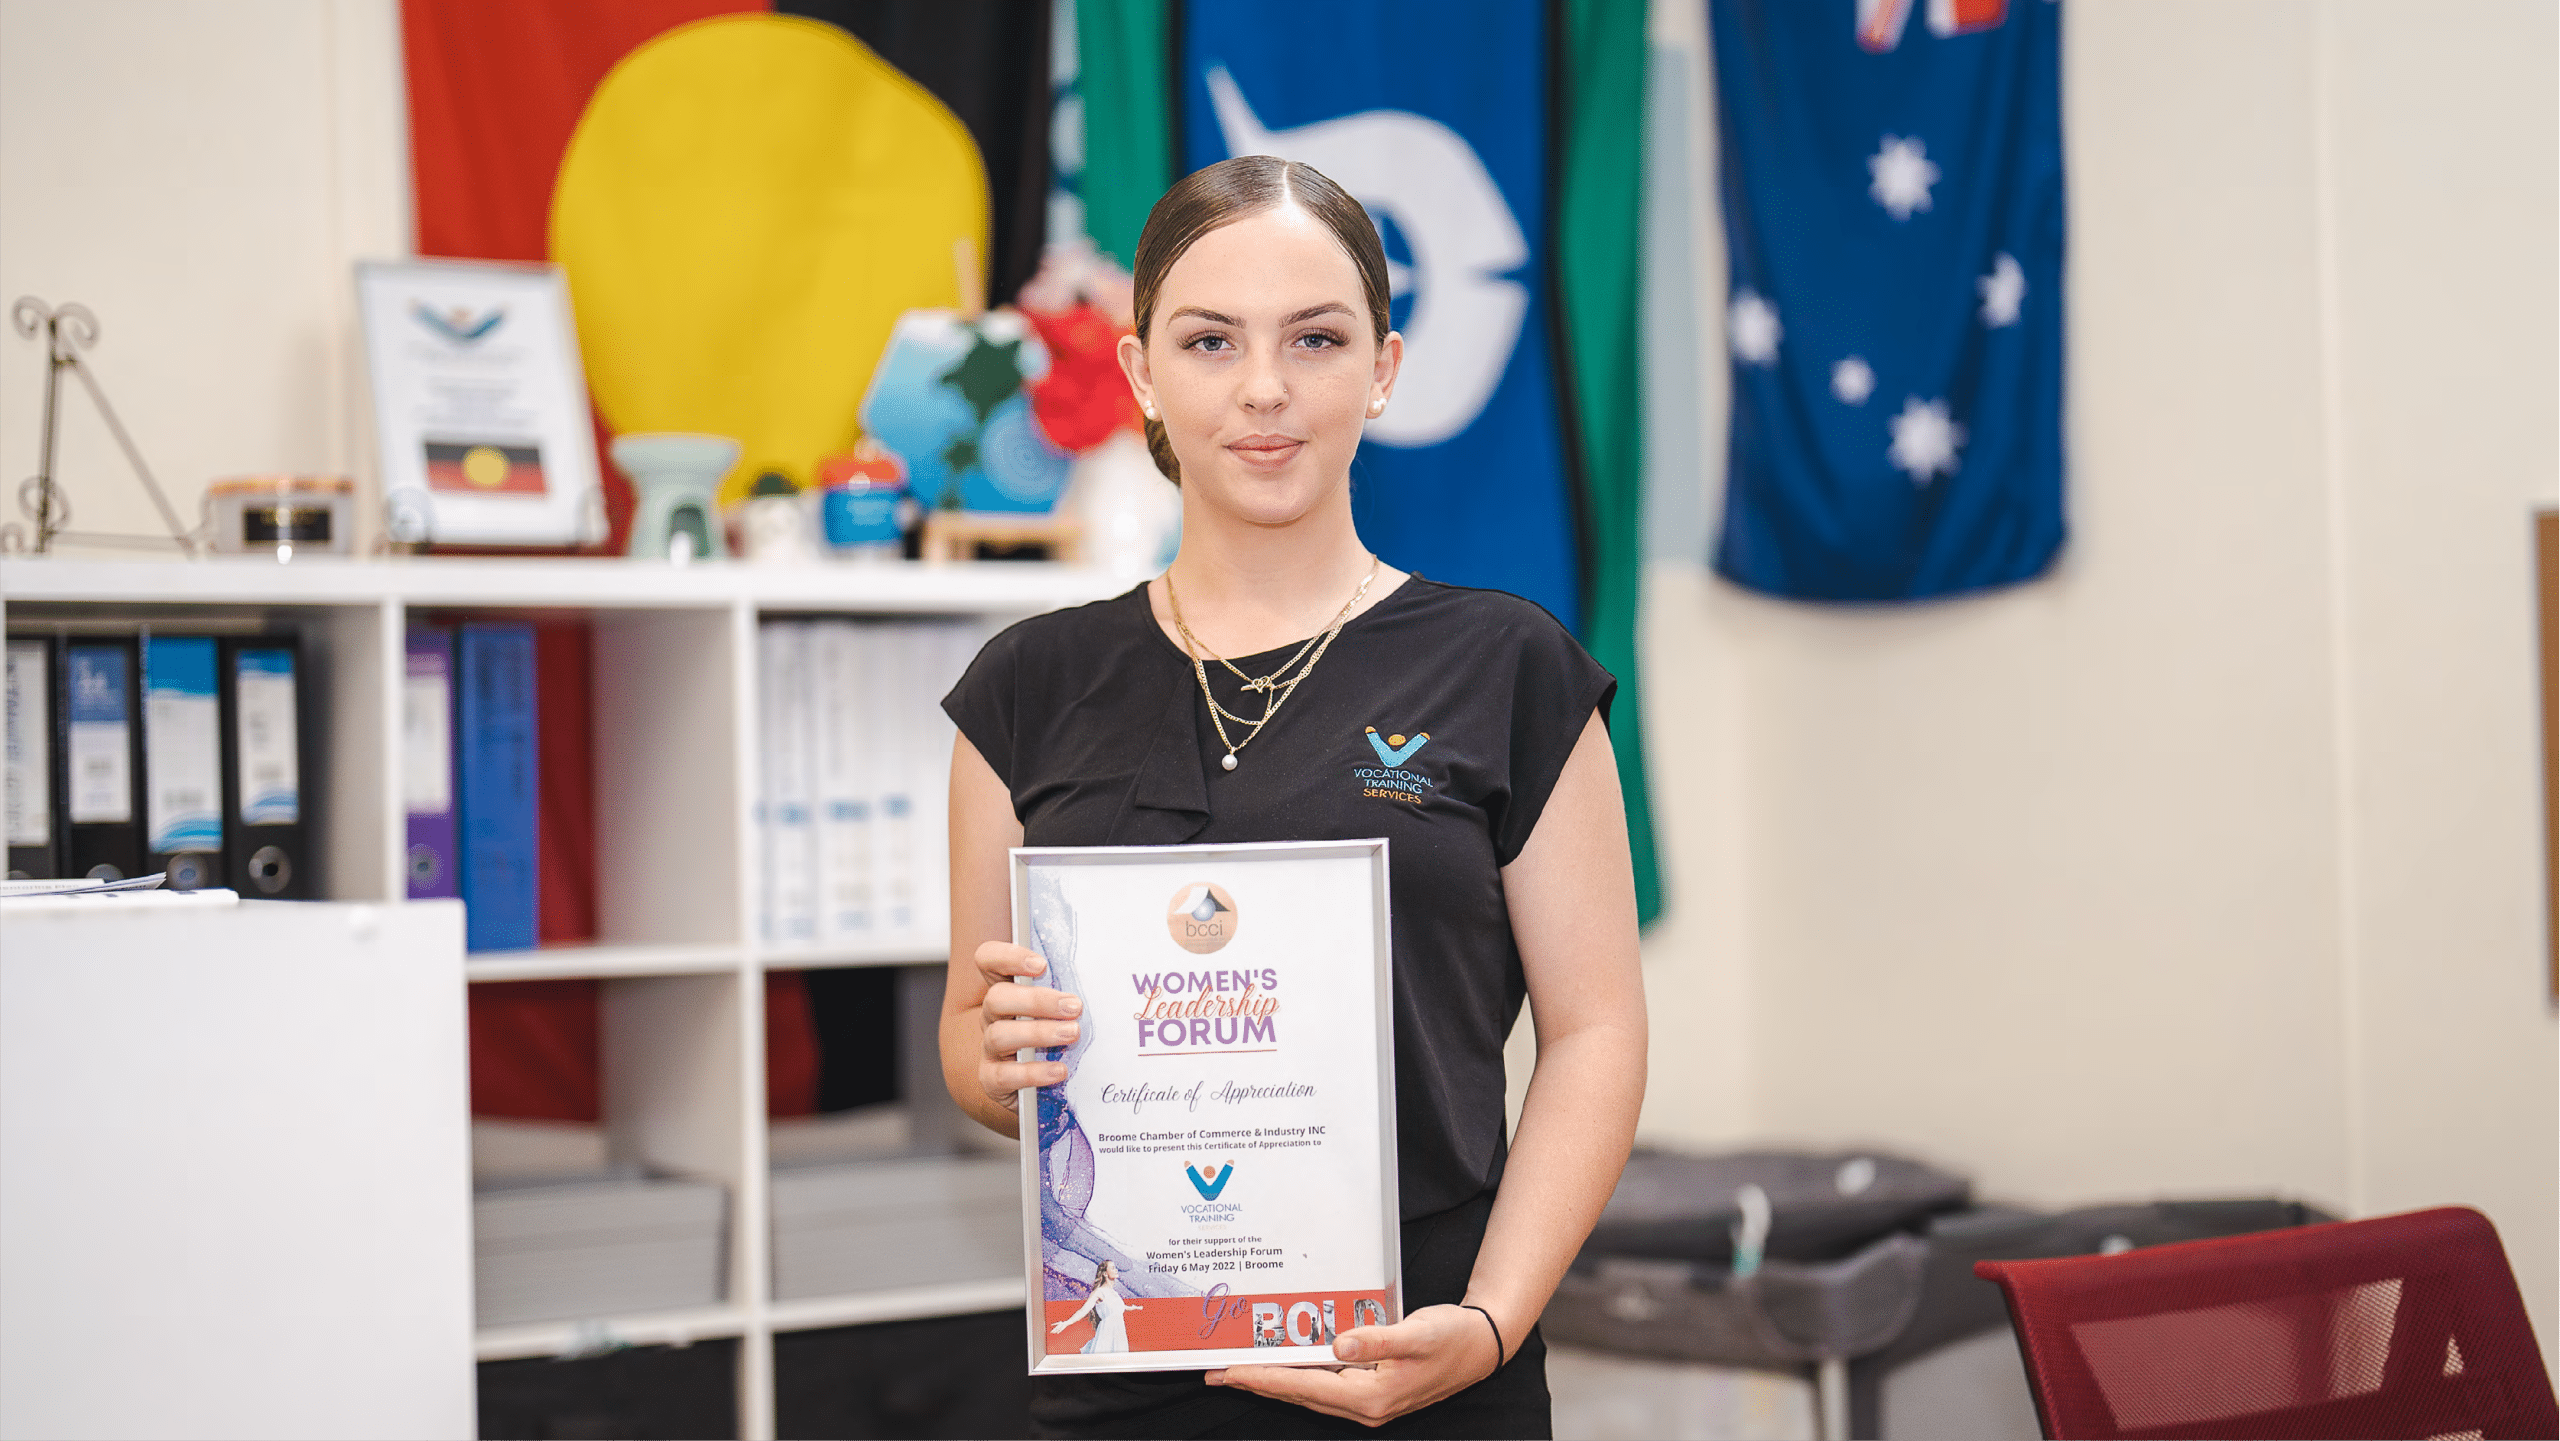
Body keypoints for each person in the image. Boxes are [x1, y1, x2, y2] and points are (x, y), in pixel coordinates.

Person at [939, 154, 1647, 1438]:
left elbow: (1595, 1030)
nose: (1263, 388)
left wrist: (1490, 1320)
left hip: (1431, 1360)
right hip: (1121, 1372)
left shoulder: (1508, 669)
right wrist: (996, 1065)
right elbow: (975, 1046)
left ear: (1381, 367)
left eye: (1314, 339)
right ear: (1142, 374)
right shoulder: (1022, 690)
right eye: (1210, 341)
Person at [1052, 1260, 1144, 1355]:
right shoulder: (1099, 1292)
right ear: (1105, 1273)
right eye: (1112, 1268)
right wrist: (1067, 1323)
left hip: (1119, 1334)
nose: (1116, 1270)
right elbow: (1083, 1310)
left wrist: (1133, 1308)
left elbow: (1118, 1307)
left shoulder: (1114, 1293)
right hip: (1106, 1334)